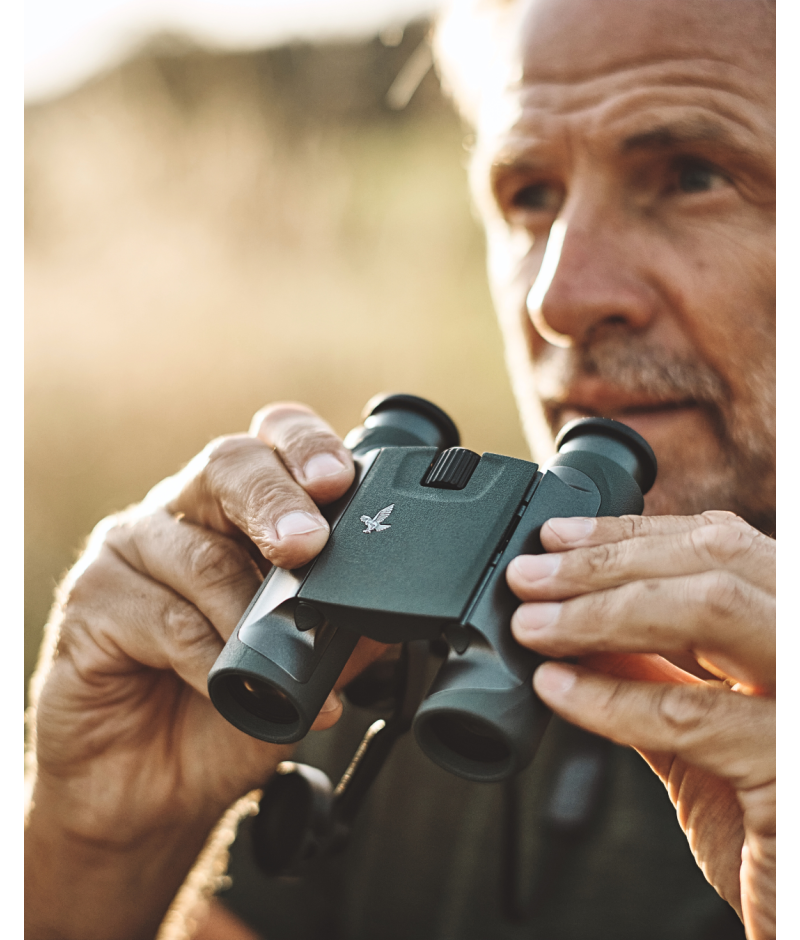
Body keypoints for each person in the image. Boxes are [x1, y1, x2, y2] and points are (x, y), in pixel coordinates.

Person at [24, 0, 775, 938]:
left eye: (692, 175)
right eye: (530, 194)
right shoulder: (394, 689)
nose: (557, 295)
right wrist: (96, 855)